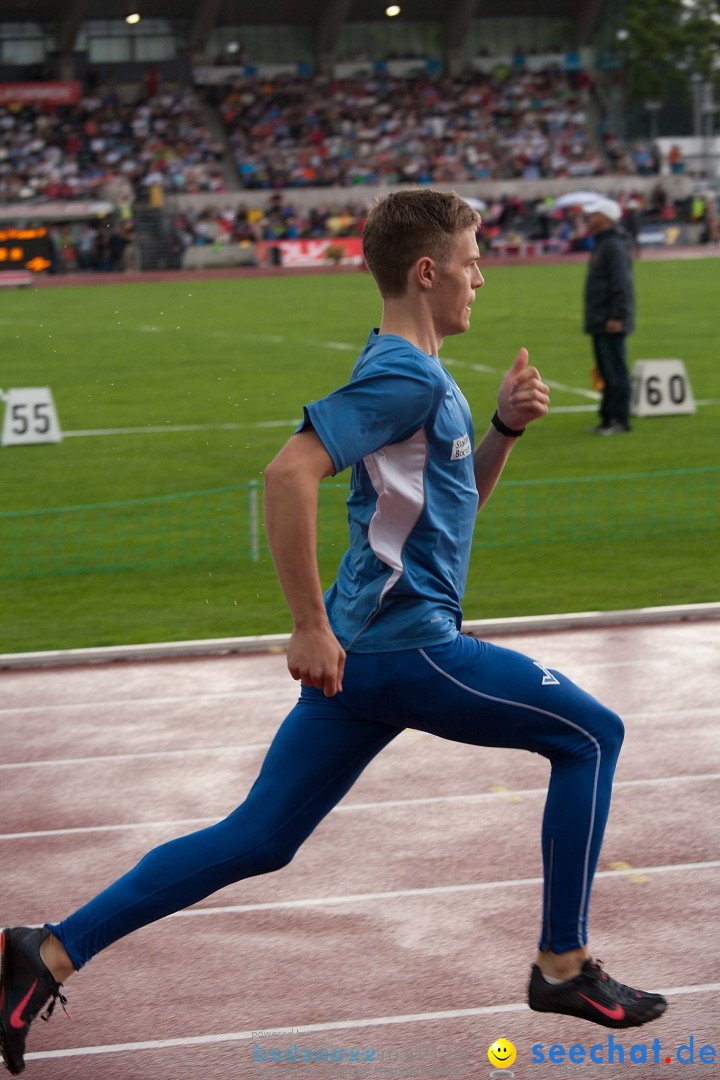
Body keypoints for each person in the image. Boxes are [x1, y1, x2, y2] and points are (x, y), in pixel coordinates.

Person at [0, 190, 667, 1076]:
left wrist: (503, 428)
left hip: (369, 653)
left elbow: (450, 518)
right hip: (402, 649)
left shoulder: (417, 374)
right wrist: (306, 624)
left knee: (261, 837)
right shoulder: (404, 377)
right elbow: (287, 475)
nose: (481, 277)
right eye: (471, 261)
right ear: (427, 272)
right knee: (593, 735)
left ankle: (42, 952)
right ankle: (562, 964)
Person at [582, 195, 635, 436]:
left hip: (610, 320)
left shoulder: (613, 246)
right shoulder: (605, 244)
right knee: (606, 371)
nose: (589, 218)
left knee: (615, 370)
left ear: (604, 218)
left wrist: (617, 316)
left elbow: (621, 284)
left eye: (593, 214)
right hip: (601, 319)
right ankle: (607, 418)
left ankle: (619, 419)